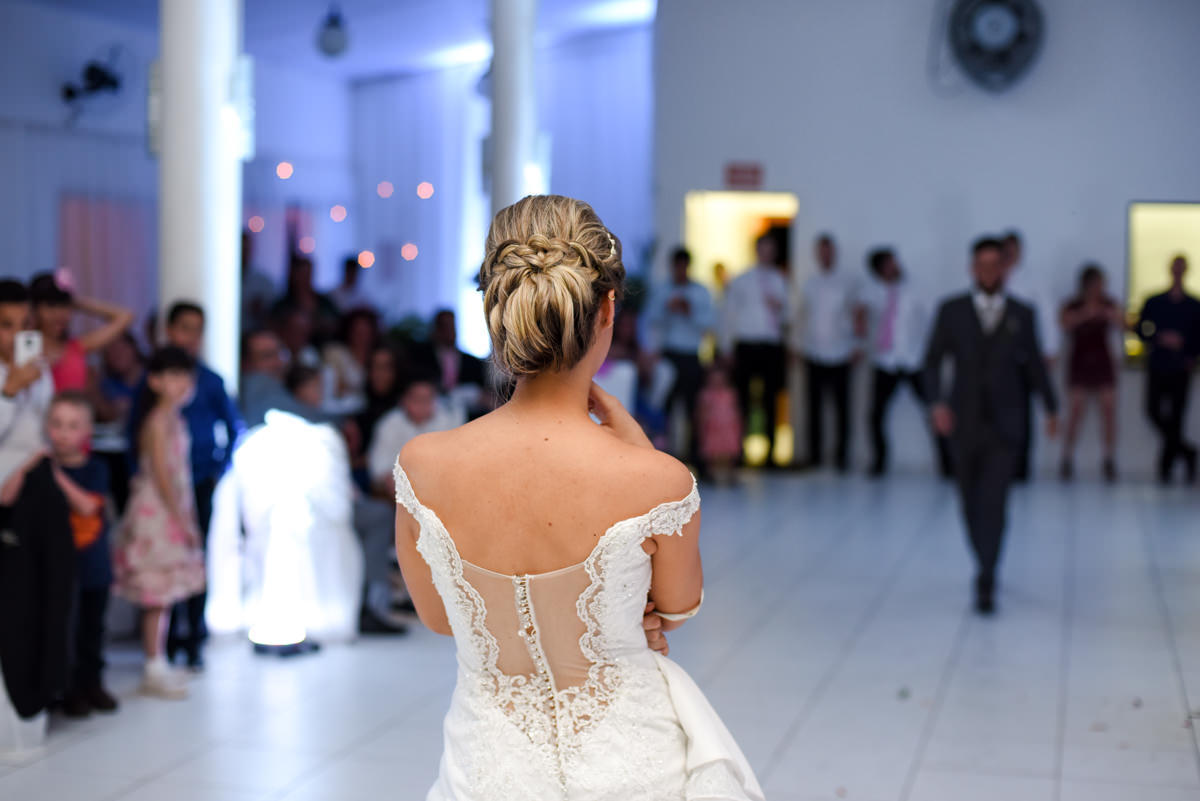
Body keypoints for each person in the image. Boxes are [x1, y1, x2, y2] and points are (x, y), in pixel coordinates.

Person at [393, 194, 762, 799]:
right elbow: (677, 606)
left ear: (498, 311)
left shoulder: (420, 465)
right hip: (632, 766)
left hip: (486, 772)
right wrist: (639, 456)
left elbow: (439, 618)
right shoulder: (656, 480)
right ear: (608, 309)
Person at [924, 237, 1059, 615]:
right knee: (969, 502)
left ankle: (987, 574)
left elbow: (1034, 365)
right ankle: (982, 561)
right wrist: (935, 404)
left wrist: (1050, 408)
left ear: (1005, 268)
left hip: (1006, 424)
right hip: (962, 422)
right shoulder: (951, 311)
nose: (987, 272)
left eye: (994, 265)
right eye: (980, 265)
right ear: (972, 268)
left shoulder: (1023, 313)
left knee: (995, 501)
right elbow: (931, 361)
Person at [130, 301, 243, 670]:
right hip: (165, 496)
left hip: (197, 483)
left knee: (193, 560)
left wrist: (218, 468)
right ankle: (164, 647)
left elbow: (233, 426)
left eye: (197, 329)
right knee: (165, 566)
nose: (190, 336)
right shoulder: (157, 401)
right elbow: (140, 441)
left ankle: (193, 638)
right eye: (184, 327)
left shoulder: (208, 381)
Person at [114, 347, 207, 699]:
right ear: (155, 381)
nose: (181, 384)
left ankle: (159, 662)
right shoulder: (157, 420)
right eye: (173, 376)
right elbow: (162, 474)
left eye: (185, 376)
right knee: (156, 591)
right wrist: (181, 518)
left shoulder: (173, 418)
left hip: (169, 508)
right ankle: (154, 665)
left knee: (164, 593)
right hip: (157, 512)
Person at [45, 392, 119, 717]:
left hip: (93, 566)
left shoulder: (96, 469)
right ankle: (69, 690)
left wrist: (54, 473)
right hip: (60, 568)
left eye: (73, 425)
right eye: (56, 424)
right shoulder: (38, 473)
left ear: (87, 431)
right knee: (67, 630)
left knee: (92, 629)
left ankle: (93, 684)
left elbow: (88, 505)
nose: (63, 433)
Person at [862, 248, 950, 477]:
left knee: (934, 410)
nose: (894, 267)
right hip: (886, 361)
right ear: (879, 270)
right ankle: (879, 462)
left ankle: (948, 465)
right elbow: (861, 317)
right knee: (876, 415)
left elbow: (933, 320)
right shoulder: (872, 292)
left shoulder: (916, 289)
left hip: (914, 360)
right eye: (888, 265)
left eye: (894, 262)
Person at [721, 233, 789, 467]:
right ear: (756, 250)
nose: (767, 253)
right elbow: (729, 315)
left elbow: (789, 316)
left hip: (771, 346)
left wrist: (780, 308)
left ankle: (770, 455)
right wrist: (727, 347)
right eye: (763, 248)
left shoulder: (781, 280)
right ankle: (739, 451)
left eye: (771, 249)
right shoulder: (742, 280)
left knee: (771, 400)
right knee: (743, 400)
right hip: (747, 346)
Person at [646, 247, 716, 467]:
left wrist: (690, 311)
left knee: (693, 408)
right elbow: (650, 320)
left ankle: (696, 458)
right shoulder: (662, 291)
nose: (680, 270)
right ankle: (661, 457)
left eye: (683, 266)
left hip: (691, 355)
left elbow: (710, 324)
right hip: (669, 354)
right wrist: (667, 309)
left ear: (688, 266)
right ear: (672, 266)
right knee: (665, 407)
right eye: (676, 266)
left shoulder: (701, 292)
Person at [799, 234, 863, 472]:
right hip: (814, 351)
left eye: (829, 251)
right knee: (813, 408)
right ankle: (814, 456)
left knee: (842, 408)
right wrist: (799, 345)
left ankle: (841, 458)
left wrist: (858, 344)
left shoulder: (848, 281)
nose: (825, 256)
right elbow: (803, 316)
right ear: (817, 254)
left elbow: (858, 314)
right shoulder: (810, 282)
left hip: (841, 352)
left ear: (834, 253)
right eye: (821, 251)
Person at [1136, 255, 1200, 484]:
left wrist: (1187, 350)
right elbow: (1140, 329)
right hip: (1158, 364)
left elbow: (1197, 337)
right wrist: (1159, 337)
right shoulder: (1155, 302)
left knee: (1176, 417)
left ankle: (1166, 467)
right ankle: (1187, 451)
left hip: (1181, 367)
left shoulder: (1194, 306)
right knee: (1153, 410)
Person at [1001, 231, 1058, 481]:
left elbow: (1047, 316)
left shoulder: (1033, 280)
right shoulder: (994, 277)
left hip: (1024, 357)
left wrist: (1050, 350)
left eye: (1014, 249)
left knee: (1022, 414)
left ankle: (1020, 468)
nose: (1010, 254)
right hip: (994, 359)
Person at [1059, 264, 1124, 481]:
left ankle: (1109, 458)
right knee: (1075, 412)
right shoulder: (1073, 304)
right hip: (1080, 361)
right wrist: (1086, 313)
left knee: (1108, 412)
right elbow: (1064, 323)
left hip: (1102, 361)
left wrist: (1107, 314)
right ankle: (1067, 457)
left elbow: (1125, 322)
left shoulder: (1108, 303)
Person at [367, 366, 463, 498]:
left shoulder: (447, 421)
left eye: (427, 399)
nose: (423, 406)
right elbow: (378, 469)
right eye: (417, 399)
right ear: (404, 400)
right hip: (399, 497)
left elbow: (457, 463)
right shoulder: (389, 424)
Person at [30, 272, 134, 392]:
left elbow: (125, 316)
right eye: (51, 306)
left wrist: (76, 301)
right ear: (34, 309)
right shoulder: (24, 347)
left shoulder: (77, 347)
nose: (59, 314)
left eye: (64, 306)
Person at [240, 329, 335, 429]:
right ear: (246, 364)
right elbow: (308, 419)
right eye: (267, 356)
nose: (279, 362)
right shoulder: (256, 384)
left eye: (280, 352)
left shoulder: (291, 385)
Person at [321, 308, 379, 414]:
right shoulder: (334, 352)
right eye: (357, 331)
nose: (361, 336)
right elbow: (333, 388)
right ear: (349, 331)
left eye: (365, 332)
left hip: (371, 411)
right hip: (339, 410)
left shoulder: (379, 356)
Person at [271, 255, 340, 342]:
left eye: (308, 274)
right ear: (294, 275)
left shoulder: (324, 302)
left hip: (322, 347)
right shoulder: (283, 305)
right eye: (301, 274)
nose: (304, 278)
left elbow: (336, 322)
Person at [696, 364, 742, 485]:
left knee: (729, 451)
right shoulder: (706, 395)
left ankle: (730, 474)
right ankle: (711, 475)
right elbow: (702, 412)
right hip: (713, 428)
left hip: (728, 428)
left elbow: (736, 410)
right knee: (713, 453)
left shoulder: (730, 393)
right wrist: (701, 427)